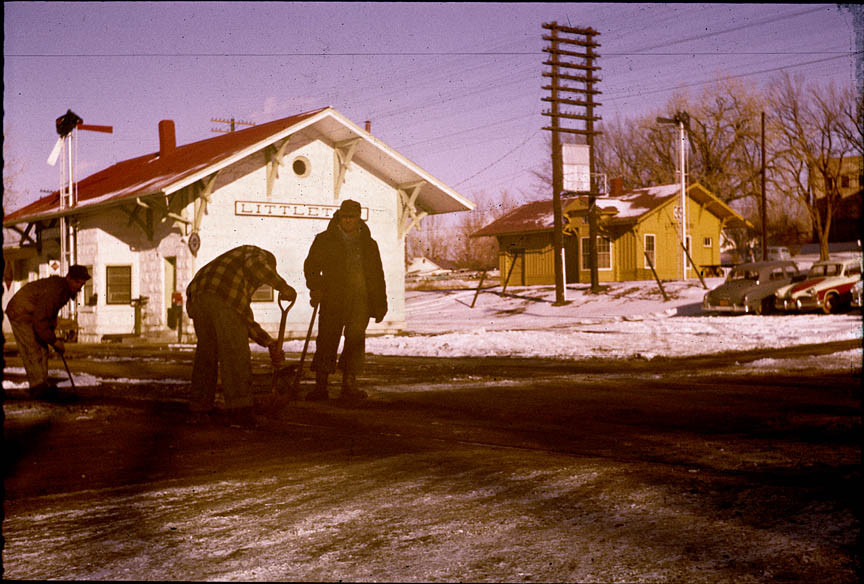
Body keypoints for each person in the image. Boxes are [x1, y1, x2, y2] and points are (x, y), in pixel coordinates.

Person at [186, 245, 297, 426]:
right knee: (235, 353)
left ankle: (199, 408)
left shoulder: (232, 269)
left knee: (206, 355)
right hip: (219, 295)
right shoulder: (255, 253)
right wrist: (282, 287)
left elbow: (243, 320)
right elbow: (258, 266)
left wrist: (269, 343)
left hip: (197, 296)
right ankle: (240, 409)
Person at [303, 199, 387, 401]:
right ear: (339, 217)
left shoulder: (369, 244)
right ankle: (321, 386)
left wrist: (380, 304)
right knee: (326, 339)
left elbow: (377, 275)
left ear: (359, 218)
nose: (348, 220)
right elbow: (311, 266)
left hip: (361, 300)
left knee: (355, 341)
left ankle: (349, 385)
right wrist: (316, 286)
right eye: (345, 216)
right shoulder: (324, 239)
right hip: (332, 298)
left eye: (352, 217)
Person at [6, 264, 91, 399]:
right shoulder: (56, 290)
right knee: (32, 347)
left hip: (31, 313)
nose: (79, 286)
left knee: (42, 348)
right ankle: (37, 387)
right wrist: (54, 341)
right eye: (77, 282)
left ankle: (41, 385)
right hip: (20, 312)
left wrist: (52, 337)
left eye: (82, 283)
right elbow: (40, 320)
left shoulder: (64, 290)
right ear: (68, 278)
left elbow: (49, 315)